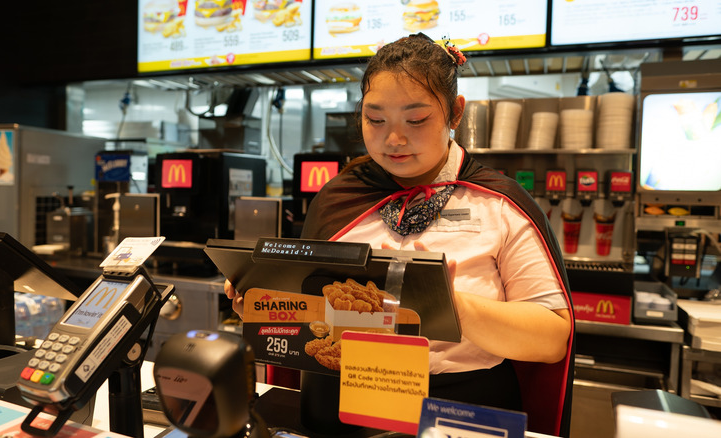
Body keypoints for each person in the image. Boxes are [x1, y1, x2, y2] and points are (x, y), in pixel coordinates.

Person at [226, 33, 574, 437]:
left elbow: (551, 339)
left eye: (416, 119)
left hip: (460, 410)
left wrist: (451, 307)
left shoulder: (499, 204)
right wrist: (270, 307)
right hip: (343, 405)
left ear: (455, 113)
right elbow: (314, 316)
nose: (393, 139)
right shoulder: (338, 198)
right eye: (375, 119)